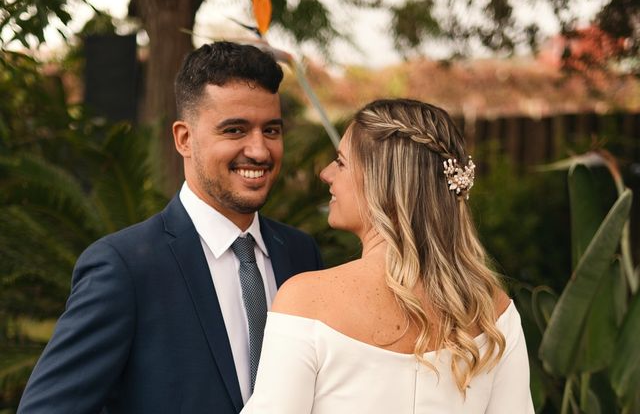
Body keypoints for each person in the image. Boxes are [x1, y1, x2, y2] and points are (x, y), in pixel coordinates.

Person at [18, 41, 323, 414]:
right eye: (235, 130)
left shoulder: (301, 253)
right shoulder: (124, 267)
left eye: (271, 130)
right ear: (184, 139)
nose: (259, 151)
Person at [242, 99, 534, 413]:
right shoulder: (493, 311)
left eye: (341, 162)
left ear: (382, 183)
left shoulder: (306, 302)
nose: (327, 174)